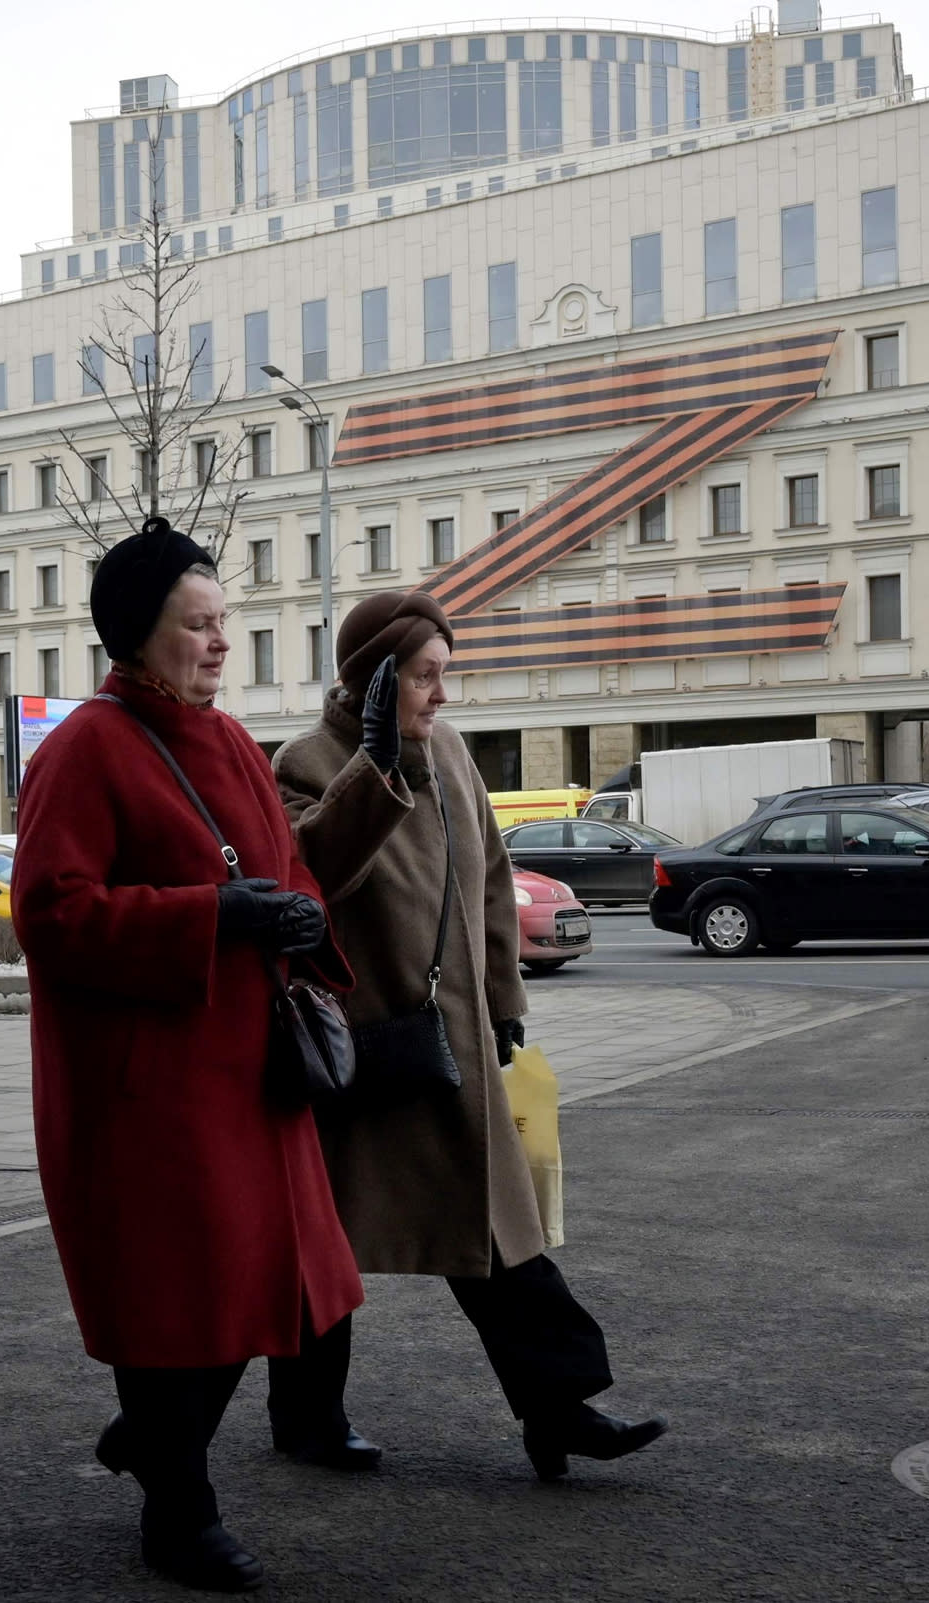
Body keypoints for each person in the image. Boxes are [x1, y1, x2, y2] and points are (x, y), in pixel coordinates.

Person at [12, 517, 363, 1594]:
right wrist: (212, 916)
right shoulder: (86, 745)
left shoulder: (229, 738)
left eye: (223, 622)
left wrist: (298, 918)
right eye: (196, 624)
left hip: (248, 1071)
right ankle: (179, 1508)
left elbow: (286, 872)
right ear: (136, 632)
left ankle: (149, 1442)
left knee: (266, 1289)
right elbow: (53, 913)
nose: (218, 642)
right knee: (182, 1300)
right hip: (149, 1084)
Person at [272, 590, 667, 1481]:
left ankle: (559, 1408)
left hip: (451, 1039)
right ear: (376, 680)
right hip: (363, 1052)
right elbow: (309, 878)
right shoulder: (307, 760)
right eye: (424, 676)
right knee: (326, 1242)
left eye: (446, 673)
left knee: (496, 1229)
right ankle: (305, 1416)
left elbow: (490, 875)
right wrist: (373, 765)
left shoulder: (449, 750)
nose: (442, 694)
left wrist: (502, 991)